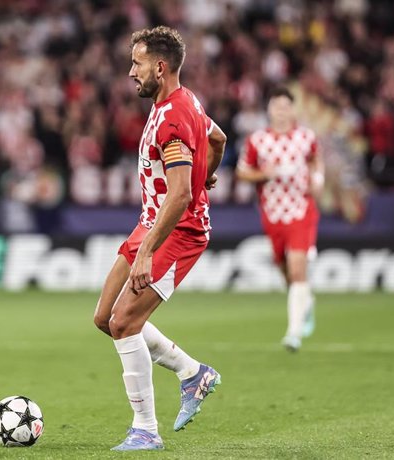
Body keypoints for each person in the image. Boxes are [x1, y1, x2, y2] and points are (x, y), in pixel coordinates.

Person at [93, 26, 227, 451]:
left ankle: (145, 429)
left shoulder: (171, 117)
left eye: (137, 63)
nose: (131, 71)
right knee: (105, 320)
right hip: (149, 222)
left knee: (124, 323)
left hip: (178, 230)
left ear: (160, 66)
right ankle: (193, 373)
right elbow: (217, 138)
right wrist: (209, 174)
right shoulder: (181, 102)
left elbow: (183, 193)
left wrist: (148, 250)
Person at [235, 87, 324, 352]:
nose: (281, 111)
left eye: (286, 106)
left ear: (292, 110)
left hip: (301, 210)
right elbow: (242, 173)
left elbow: (316, 161)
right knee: (286, 272)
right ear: (270, 110)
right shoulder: (257, 140)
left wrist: (317, 180)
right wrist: (264, 173)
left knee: (297, 269)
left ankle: (293, 333)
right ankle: (306, 303)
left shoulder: (306, 137)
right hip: (273, 213)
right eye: (277, 106)